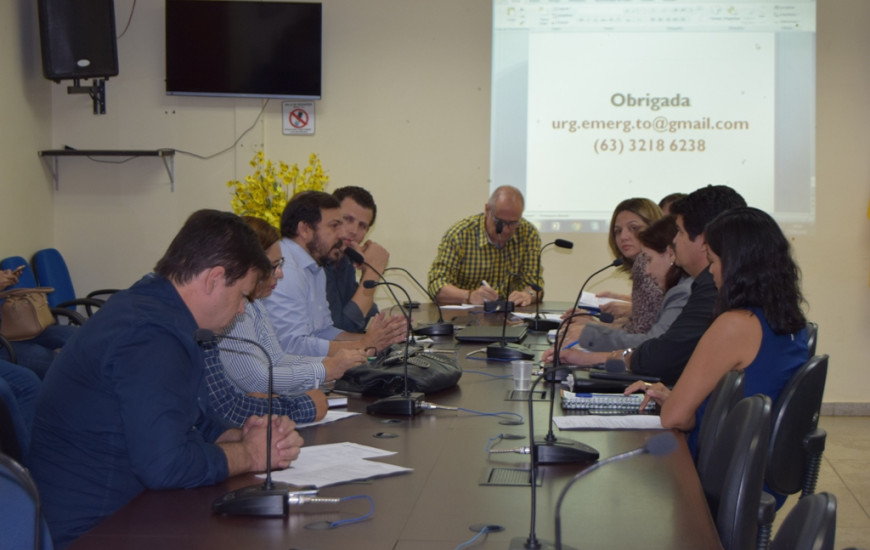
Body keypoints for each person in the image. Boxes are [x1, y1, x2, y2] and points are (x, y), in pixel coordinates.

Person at [28, 210, 305, 547]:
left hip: (133, 510)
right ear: (213, 279)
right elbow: (166, 465)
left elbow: (192, 418)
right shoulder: (151, 335)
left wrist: (239, 434)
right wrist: (249, 454)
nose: (242, 310)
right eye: (243, 295)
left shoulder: (154, 308)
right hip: (96, 531)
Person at [626, 207, 808, 504]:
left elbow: (674, 417)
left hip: (718, 478)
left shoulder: (735, 324)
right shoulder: (792, 323)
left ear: (737, 265)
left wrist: (677, 402)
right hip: (758, 473)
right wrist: (680, 396)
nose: (710, 271)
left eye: (713, 260)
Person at [545, 185, 747, 385]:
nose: (674, 241)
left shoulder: (702, 289)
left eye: (680, 232)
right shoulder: (705, 285)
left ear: (704, 239)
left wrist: (594, 355)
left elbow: (661, 354)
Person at [220, 216, 366, 396]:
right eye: (274, 266)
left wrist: (332, 364)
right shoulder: (234, 307)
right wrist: (325, 370)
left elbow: (277, 358)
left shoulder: (255, 303)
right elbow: (257, 380)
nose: (280, 274)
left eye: (280, 264)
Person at [265, 191, 407, 357]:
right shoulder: (284, 269)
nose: (342, 234)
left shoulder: (315, 267)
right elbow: (292, 345)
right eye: (334, 226)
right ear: (305, 229)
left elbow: (324, 331)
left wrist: (378, 340)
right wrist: (364, 345)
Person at [566, 216, 691, 351]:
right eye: (618, 231)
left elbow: (653, 345)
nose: (647, 271)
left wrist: (591, 336)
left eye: (649, 259)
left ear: (670, 253)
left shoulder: (682, 292)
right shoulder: (678, 287)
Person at [427, 185, 542, 306]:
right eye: (500, 223)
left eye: (513, 223)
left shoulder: (528, 233)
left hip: (510, 317)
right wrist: (469, 296)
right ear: (487, 210)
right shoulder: (460, 234)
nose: (506, 230)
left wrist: (529, 295)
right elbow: (436, 284)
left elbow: (535, 284)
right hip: (465, 317)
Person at [593, 198, 664, 333]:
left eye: (633, 228)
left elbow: (640, 333)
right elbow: (642, 322)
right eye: (618, 231)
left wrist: (591, 329)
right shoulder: (643, 262)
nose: (623, 236)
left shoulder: (644, 263)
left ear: (654, 228)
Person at [325, 186, 389, 332]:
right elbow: (342, 330)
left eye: (362, 225)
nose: (354, 231)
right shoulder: (318, 262)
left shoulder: (345, 260)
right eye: (347, 219)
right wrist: (374, 272)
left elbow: (369, 317)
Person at [0, 265, 78, 379]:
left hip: (15, 327)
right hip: (3, 342)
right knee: (47, 359)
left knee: (75, 335)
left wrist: (7, 279)